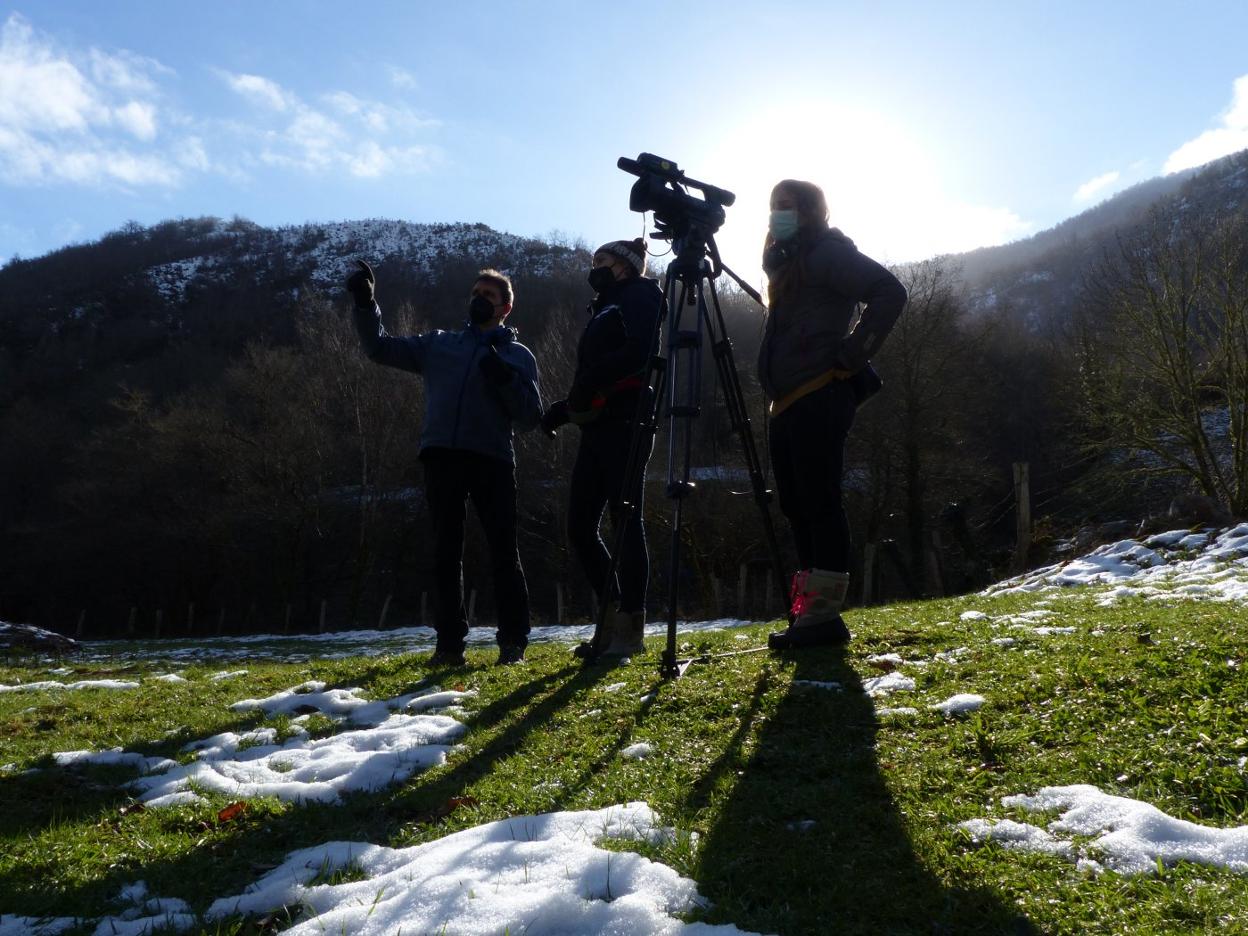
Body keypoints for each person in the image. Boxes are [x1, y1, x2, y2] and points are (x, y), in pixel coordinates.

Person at [346, 261, 543, 666]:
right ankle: (449, 647)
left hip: (493, 460)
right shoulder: (439, 344)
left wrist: (503, 378)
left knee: (504, 553)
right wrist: (366, 306)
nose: (478, 300)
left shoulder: (519, 356)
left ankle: (513, 644)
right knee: (444, 552)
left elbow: (529, 418)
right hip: (441, 457)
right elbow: (380, 348)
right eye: (475, 293)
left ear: (505, 308)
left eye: (487, 296)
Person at [758, 180, 907, 649]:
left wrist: (852, 355)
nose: (777, 214)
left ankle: (823, 619)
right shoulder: (791, 262)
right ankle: (810, 617)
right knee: (796, 505)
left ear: (810, 211)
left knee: (818, 502)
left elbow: (888, 291)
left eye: (787, 206)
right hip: (787, 400)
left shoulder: (826, 252)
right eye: (773, 207)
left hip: (819, 392)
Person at [541, 238, 664, 660]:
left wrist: (588, 382)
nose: (594, 267)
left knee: (626, 518)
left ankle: (630, 627)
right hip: (598, 423)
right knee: (580, 526)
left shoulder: (640, 294)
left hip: (628, 418)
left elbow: (640, 350)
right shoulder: (603, 308)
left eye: (603, 261)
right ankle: (610, 622)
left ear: (627, 266)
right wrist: (565, 408)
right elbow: (591, 380)